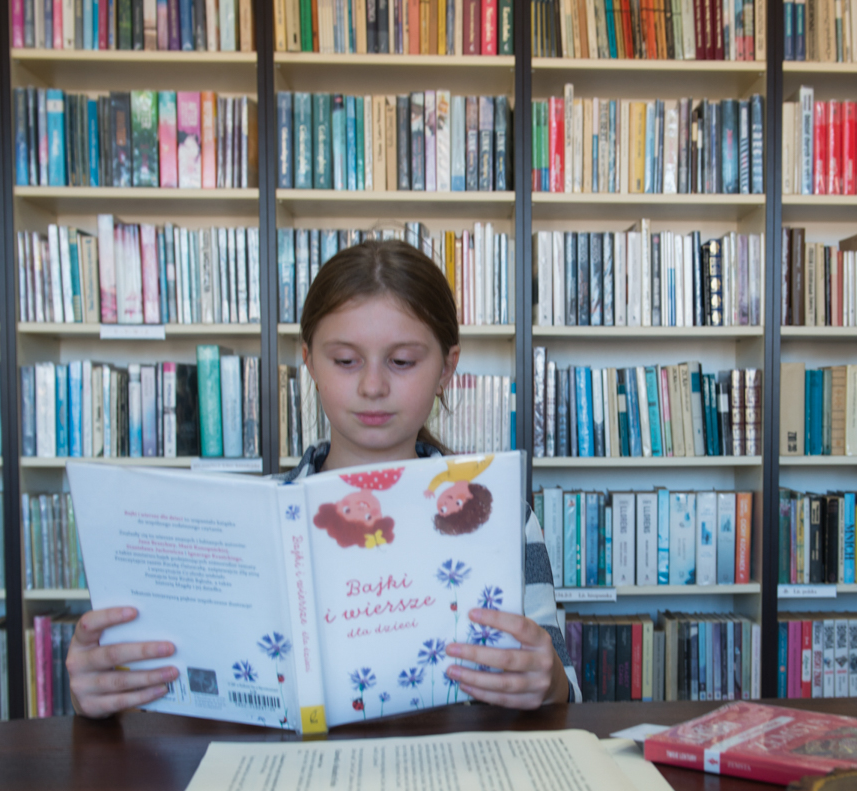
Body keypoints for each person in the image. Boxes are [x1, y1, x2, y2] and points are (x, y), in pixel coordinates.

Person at [66, 239, 580, 717]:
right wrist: (103, 688)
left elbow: (565, 693)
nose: (373, 386)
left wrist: (548, 680)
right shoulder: (248, 518)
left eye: (402, 361)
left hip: (456, 771)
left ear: (447, 368)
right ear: (310, 362)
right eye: (346, 360)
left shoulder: (496, 514)